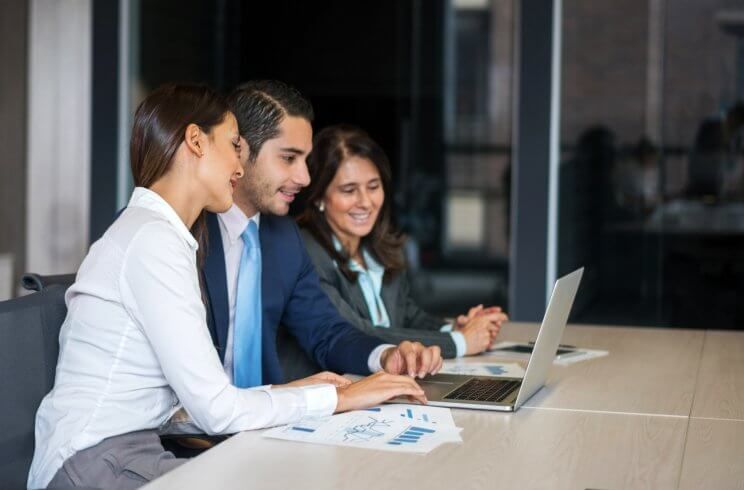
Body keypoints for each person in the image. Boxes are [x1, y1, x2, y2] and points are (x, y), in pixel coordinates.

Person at [29, 85, 433, 490]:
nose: (238, 165)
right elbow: (215, 411)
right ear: (195, 141)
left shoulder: (164, 235)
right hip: (98, 460)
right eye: (233, 144)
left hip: (137, 449)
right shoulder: (153, 241)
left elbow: (169, 396)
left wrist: (291, 391)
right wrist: (337, 398)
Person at [203, 80, 444, 387]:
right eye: (289, 158)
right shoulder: (188, 233)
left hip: (267, 418)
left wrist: (385, 355)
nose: (304, 178)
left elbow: (326, 331)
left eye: (305, 159)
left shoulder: (283, 237)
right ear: (240, 149)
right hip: (197, 429)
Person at [297, 124, 508, 358]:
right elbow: (354, 332)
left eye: (373, 187)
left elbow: (408, 316)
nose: (366, 202)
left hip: (395, 380)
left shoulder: (377, 248)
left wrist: (453, 328)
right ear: (318, 198)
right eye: (349, 190)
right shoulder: (305, 253)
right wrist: (459, 342)